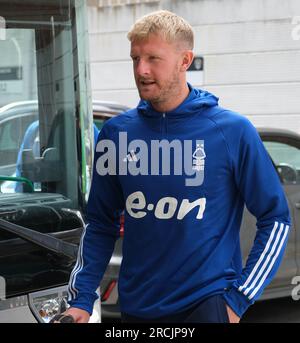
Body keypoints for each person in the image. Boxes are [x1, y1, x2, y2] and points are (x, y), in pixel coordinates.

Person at [65, 10, 291, 323]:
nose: (141, 70)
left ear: (185, 61)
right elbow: (100, 223)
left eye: (153, 58)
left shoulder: (232, 131)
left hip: (206, 306)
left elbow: (275, 217)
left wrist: (238, 299)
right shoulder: (116, 134)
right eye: (135, 58)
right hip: (137, 309)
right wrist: (82, 297)